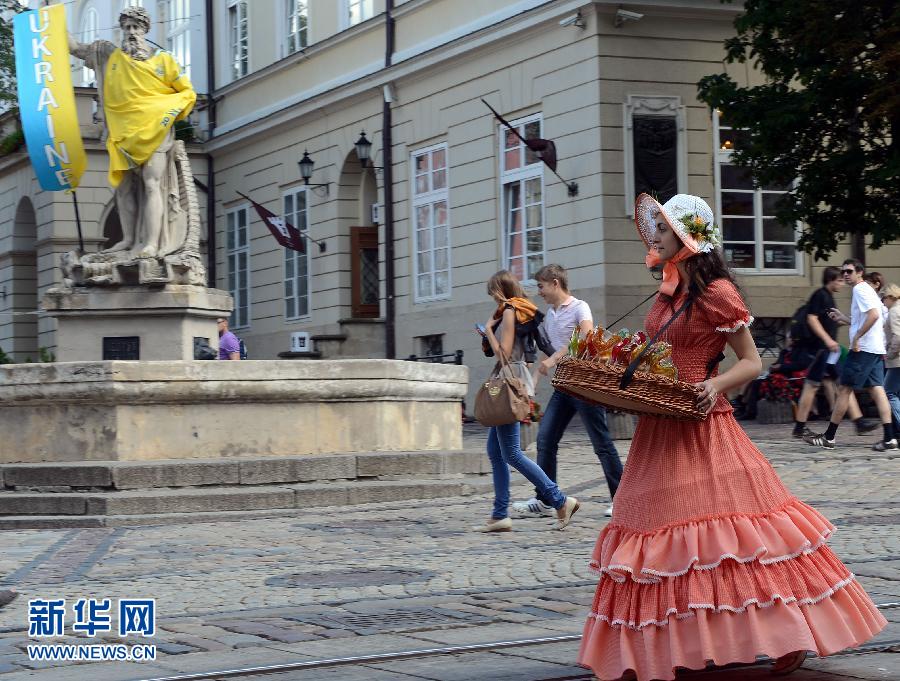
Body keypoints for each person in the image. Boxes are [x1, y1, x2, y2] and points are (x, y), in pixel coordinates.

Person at [578, 194, 886, 681]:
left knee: (735, 538)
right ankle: (664, 645)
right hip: (660, 423)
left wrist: (713, 384)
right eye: (655, 228)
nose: (653, 237)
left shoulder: (718, 292)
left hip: (703, 422)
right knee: (653, 534)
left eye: (662, 229)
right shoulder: (666, 292)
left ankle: (789, 632)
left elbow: (751, 361)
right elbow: (659, 349)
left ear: (686, 238)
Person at [68, 7, 196, 258]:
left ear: (145, 29)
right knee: (123, 188)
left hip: (154, 131)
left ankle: (150, 243)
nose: (131, 32)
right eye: (126, 27)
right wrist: (49, 15)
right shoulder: (109, 56)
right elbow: (74, 47)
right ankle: (128, 240)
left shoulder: (163, 61)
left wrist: (165, 111)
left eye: (136, 27)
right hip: (123, 133)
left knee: (152, 184)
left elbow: (187, 92)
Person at [512, 264, 623, 519]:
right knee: (545, 439)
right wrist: (532, 387)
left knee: (602, 444)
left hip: (584, 385)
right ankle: (545, 499)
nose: (539, 291)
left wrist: (552, 361)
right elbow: (548, 352)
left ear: (555, 283)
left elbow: (585, 341)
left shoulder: (579, 307)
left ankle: (621, 500)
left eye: (541, 286)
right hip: (563, 386)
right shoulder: (550, 315)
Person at [475, 271, 579, 532]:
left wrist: (488, 330)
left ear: (500, 291)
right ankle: (499, 514)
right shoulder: (520, 310)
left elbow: (505, 353)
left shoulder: (510, 311)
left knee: (511, 452)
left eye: (493, 294)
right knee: (496, 451)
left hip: (509, 382)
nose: (493, 301)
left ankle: (559, 500)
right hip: (514, 378)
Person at [804, 260, 897, 451]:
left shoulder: (859, 290)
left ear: (859, 272)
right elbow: (870, 316)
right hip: (875, 349)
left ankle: (829, 437)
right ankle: (890, 439)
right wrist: (843, 318)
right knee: (877, 390)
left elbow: (873, 316)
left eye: (849, 271)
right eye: (843, 272)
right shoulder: (868, 290)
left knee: (844, 389)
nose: (845, 275)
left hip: (863, 349)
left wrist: (857, 338)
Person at [792, 267, 878, 438]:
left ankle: (859, 422)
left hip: (831, 351)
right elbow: (812, 318)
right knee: (812, 385)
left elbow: (825, 320)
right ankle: (800, 427)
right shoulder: (821, 295)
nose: (842, 283)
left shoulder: (828, 297)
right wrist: (827, 340)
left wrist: (840, 323)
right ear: (830, 280)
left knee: (844, 385)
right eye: (839, 280)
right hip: (821, 350)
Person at [880, 283, 900, 430]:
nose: (882, 302)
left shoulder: (894, 311)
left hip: (897, 360)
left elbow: (897, 336)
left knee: (888, 392)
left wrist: (890, 354)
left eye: (883, 298)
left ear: (889, 297)